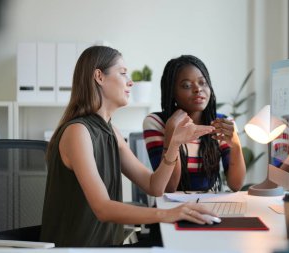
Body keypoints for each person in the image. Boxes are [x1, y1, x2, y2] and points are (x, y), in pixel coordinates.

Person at [40, 46, 216, 247]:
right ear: (99, 76)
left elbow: (154, 186)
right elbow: (103, 208)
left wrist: (174, 143)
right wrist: (166, 214)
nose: (130, 81)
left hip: (107, 246)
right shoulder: (78, 132)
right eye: (123, 73)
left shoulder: (111, 132)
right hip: (79, 249)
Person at [143, 55, 246, 192]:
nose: (198, 89)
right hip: (170, 207)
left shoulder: (222, 124)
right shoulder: (156, 122)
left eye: (203, 83)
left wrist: (236, 144)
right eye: (186, 85)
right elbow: (169, 187)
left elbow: (236, 185)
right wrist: (171, 134)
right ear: (172, 92)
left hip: (209, 205)